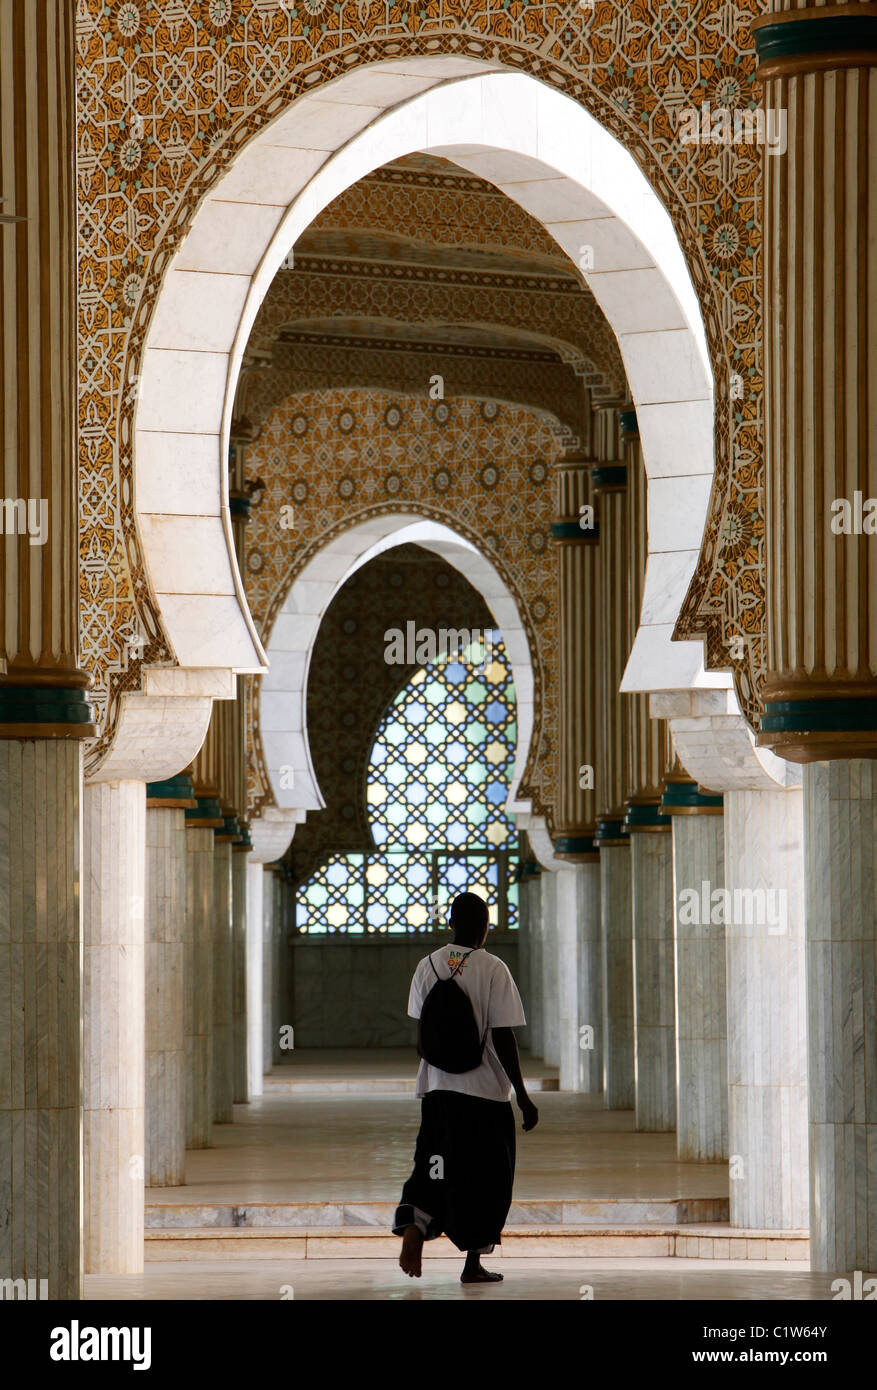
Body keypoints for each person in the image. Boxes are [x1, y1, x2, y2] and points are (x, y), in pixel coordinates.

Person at [393, 890, 539, 1284]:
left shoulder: (427, 965)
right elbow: (504, 1038)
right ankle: (473, 1263)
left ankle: (416, 1225)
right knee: (487, 1176)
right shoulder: (493, 968)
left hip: (438, 1090)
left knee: (433, 1164)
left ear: (451, 924)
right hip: (485, 1095)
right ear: (484, 928)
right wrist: (523, 1097)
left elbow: (422, 1030)